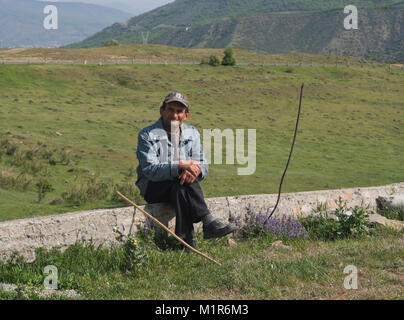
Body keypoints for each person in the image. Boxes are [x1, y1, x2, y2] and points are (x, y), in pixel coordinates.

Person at [135, 92, 236, 248]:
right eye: (170, 109)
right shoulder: (147, 135)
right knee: (180, 177)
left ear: (186, 115)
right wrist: (180, 165)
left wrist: (196, 171)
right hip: (153, 187)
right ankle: (207, 220)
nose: (174, 115)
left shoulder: (192, 133)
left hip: (179, 186)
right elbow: (150, 170)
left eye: (179, 111)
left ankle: (185, 240)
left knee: (180, 187)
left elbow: (203, 163)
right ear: (161, 111)